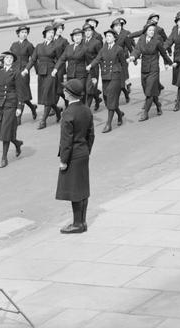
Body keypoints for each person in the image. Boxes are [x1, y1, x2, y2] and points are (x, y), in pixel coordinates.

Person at [56, 79, 94, 234]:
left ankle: (77, 224)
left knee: (74, 190)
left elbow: (66, 141)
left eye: (65, 90)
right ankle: (82, 222)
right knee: (83, 188)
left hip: (72, 156)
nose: (63, 92)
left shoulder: (68, 113)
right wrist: (86, 150)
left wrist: (63, 160)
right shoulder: (86, 110)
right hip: (83, 152)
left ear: (69, 94)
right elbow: (91, 134)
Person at [129, 23, 173, 121]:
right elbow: (136, 50)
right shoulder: (141, 40)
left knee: (149, 92)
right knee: (147, 91)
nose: (152, 32)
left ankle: (145, 114)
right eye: (150, 30)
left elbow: (163, 54)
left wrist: (170, 63)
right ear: (145, 31)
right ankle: (158, 105)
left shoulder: (157, 41)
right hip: (144, 69)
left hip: (154, 69)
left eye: (153, 31)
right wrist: (132, 57)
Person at [86, 29, 127, 132]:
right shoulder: (103, 49)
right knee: (107, 99)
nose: (107, 38)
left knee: (111, 98)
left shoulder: (119, 49)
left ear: (114, 38)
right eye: (106, 36)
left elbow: (123, 64)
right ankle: (119, 114)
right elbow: (97, 59)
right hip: (105, 77)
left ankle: (108, 124)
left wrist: (124, 79)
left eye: (109, 36)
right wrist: (90, 65)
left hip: (115, 76)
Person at [25, 24, 62, 129]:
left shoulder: (56, 46)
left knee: (47, 95)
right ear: (45, 34)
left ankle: (43, 121)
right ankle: (58, 111)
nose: (51, 35)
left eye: (52, 33)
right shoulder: (39, 46)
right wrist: (26, 69)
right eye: (49, 33)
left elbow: (60, 59)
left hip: (51, 72)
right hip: (41, 73)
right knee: (46, 96)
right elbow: (32, 59)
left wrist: (56, 69)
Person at [10, 25, 38, 123]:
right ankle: (32, 107)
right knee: (21, 94)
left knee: (21, 93)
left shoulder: (29, 45)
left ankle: (18, 118)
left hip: (24, 73)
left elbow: (34, 58)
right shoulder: (14, 45)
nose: (24, 34)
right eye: (22, 32)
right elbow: (10, 57)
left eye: (26, 32)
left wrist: (37, 71)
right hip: (14, 72)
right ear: (18, 34)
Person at [111, 17, 134, 103]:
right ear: (113, 27)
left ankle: (126, 85)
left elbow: (130, 47)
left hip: (124, 58)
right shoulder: (110, 35)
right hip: (114, 60)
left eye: (120, 25)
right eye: (116, 26)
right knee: (118, 80)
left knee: (121, 77)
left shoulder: (125, 35)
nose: (119, 27)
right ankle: (127, 87)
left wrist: (134, 58)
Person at [82, 24, 103, 110]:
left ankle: (86, 110)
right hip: (82, 68)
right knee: (85, 88)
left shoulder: (96, 42)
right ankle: (97, 99)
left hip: (93, 69)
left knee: (89, 89)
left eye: (89, 31)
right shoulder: (81, 41)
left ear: (92, 32)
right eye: (86, 31)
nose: (87, 32)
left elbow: (100, 56)